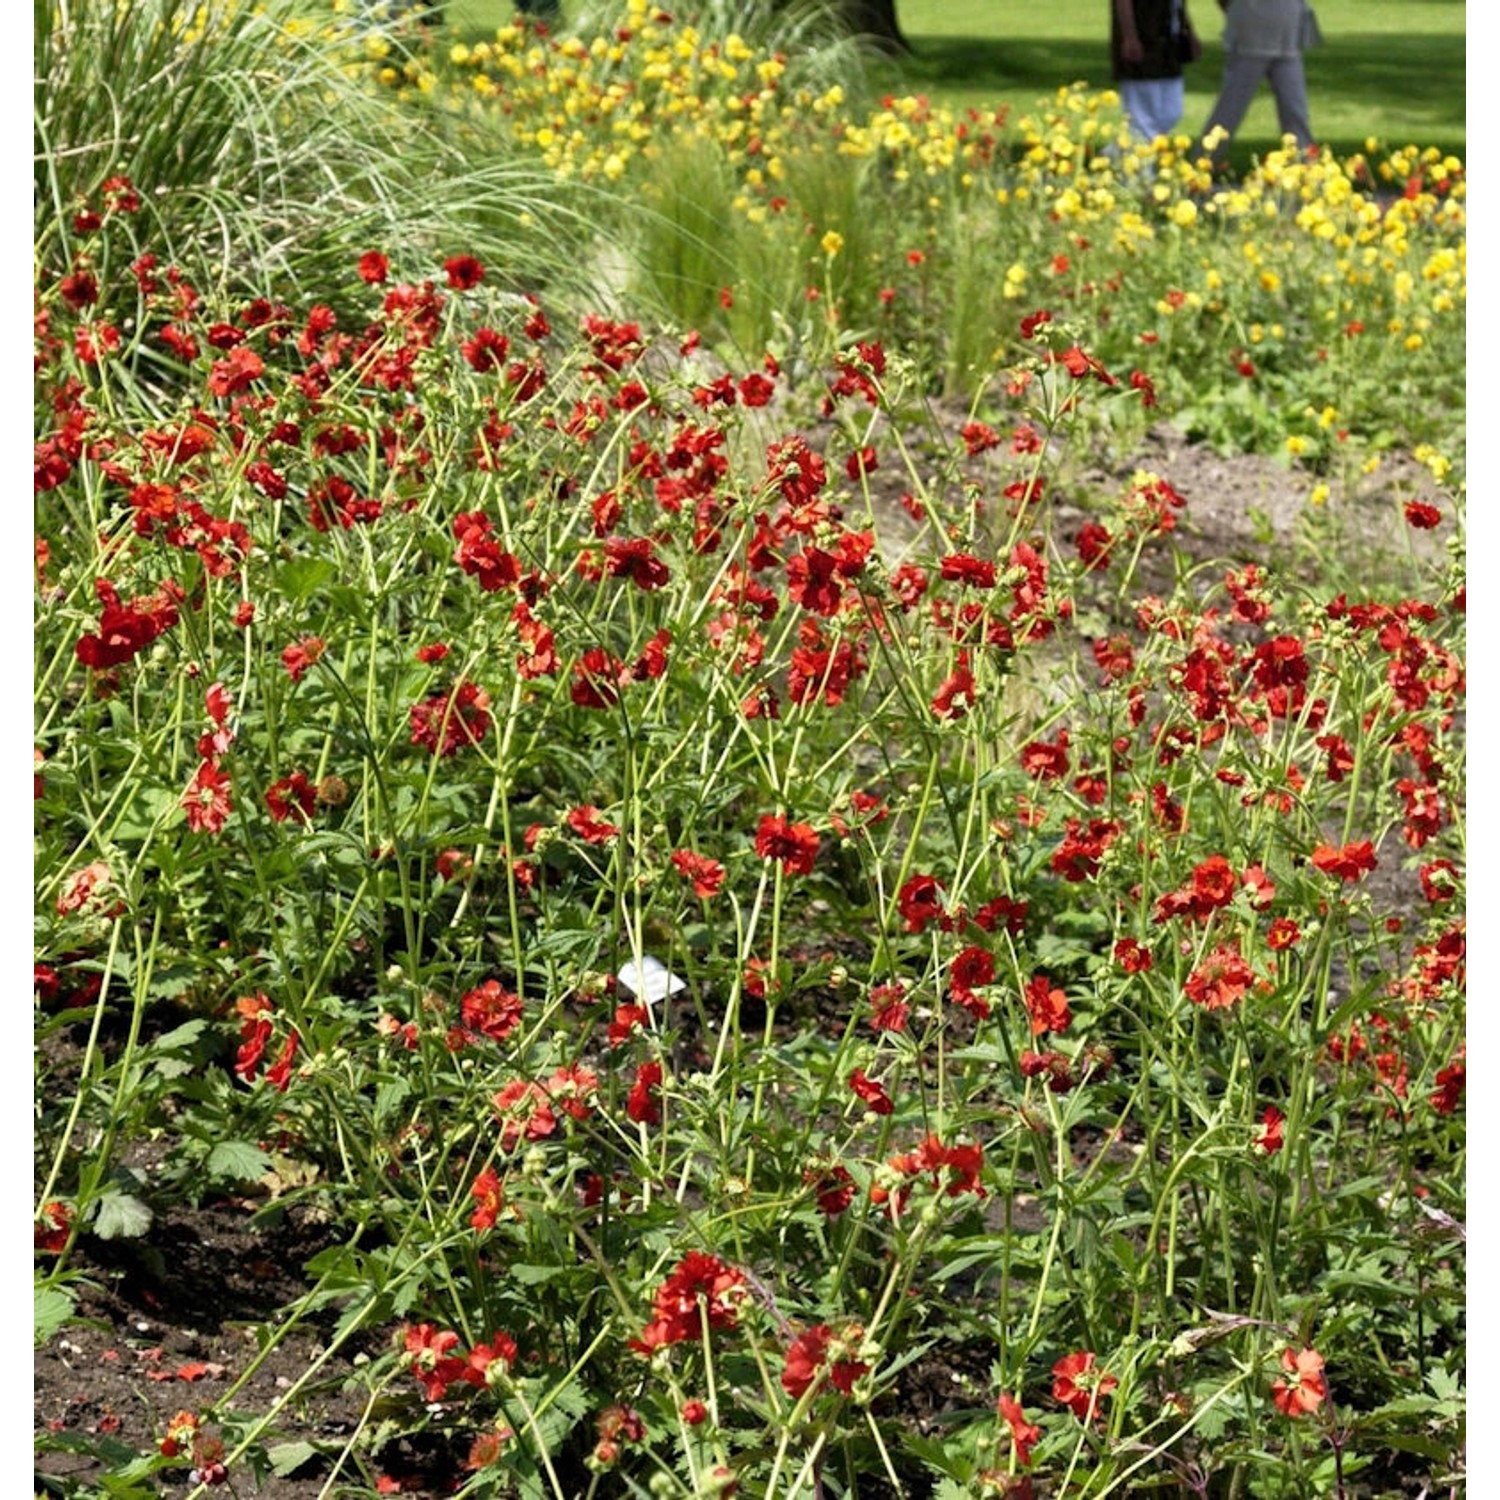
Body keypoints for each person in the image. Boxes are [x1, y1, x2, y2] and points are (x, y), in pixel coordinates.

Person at [1201, 0, 1314, 161]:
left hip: (1288, 34)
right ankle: (1201, 166)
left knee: (1295, 110)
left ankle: (1306, 168)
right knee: (1230, 109)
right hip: (1250, 32)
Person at [1112, 0, 1202, 145]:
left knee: (1171, 112)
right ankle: (1141, 162)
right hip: (1144, 37)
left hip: (1169, 46)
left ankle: (1115, 155)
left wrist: (1189, 32)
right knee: (1141, 116)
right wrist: (1129, 36)